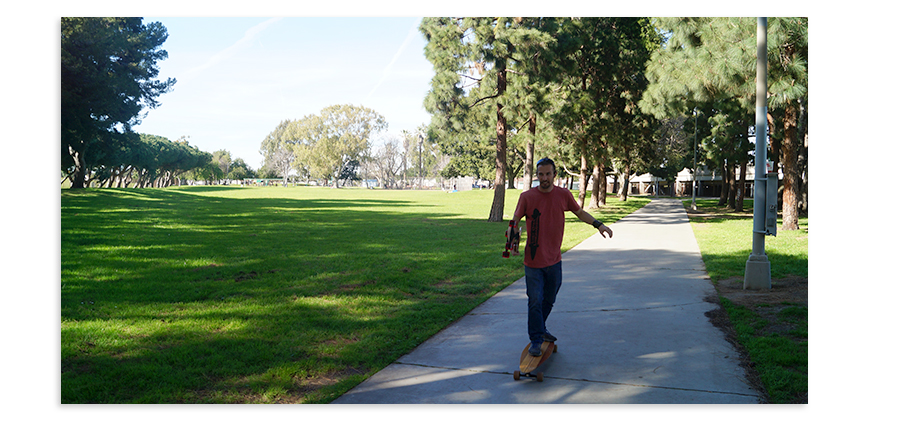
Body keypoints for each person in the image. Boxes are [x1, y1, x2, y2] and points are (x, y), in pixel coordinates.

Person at [511, 157, 613, 356]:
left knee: (549, 299)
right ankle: (536, 339)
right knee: (534, 300)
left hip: (554, 260)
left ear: (554, 174)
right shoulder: (527, 197)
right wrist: (513, 243)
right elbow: (515, 221)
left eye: (548, 174)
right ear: (537, 175)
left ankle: (541, 328)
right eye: (541, 174)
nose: (544, 178)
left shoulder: (563, 195)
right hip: (533, 261)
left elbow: (580, 212)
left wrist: (599, 225)